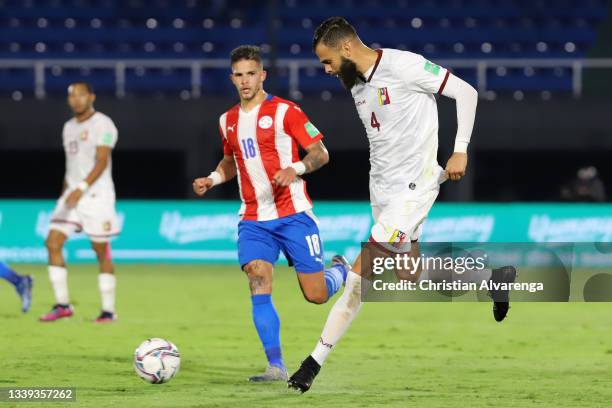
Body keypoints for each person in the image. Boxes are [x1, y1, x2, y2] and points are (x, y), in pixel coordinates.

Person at [288, 17, 517, 393]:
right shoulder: (357, 86)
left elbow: (467, 93)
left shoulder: (404, 66)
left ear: (346, 48)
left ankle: (312, 364)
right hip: (382, 191)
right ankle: (492, 279)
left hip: (414, 190)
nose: (326, 71)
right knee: (408, 274)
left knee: (359, 281)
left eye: (327, 61)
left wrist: (460, 151)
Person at [192, 45, 349, 382]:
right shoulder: (228, 120)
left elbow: (320, 153)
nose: (245, 80)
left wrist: (296, 168)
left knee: (316, 295)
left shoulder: (286, 112)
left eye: (251, 73)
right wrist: (213, 178)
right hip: (253, 218)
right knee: (257, 278)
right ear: (232, 78)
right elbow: (230, 160)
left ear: (262, 75)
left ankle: (341, 271)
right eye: (239, 75)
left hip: (293, 215)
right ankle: (275, 366)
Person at [40, 82, 120, 323]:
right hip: (71, 195)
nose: (76, 100)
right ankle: (62, 305)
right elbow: (72, 166)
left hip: (97, 196)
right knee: (52, 242)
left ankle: (108, 310)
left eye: (81, 95)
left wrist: (82, 188)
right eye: (72, 96)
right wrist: (65, 194)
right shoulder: (68, 127)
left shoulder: (103, 124)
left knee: (100, 251)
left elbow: (102, 161)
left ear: (91, 97)